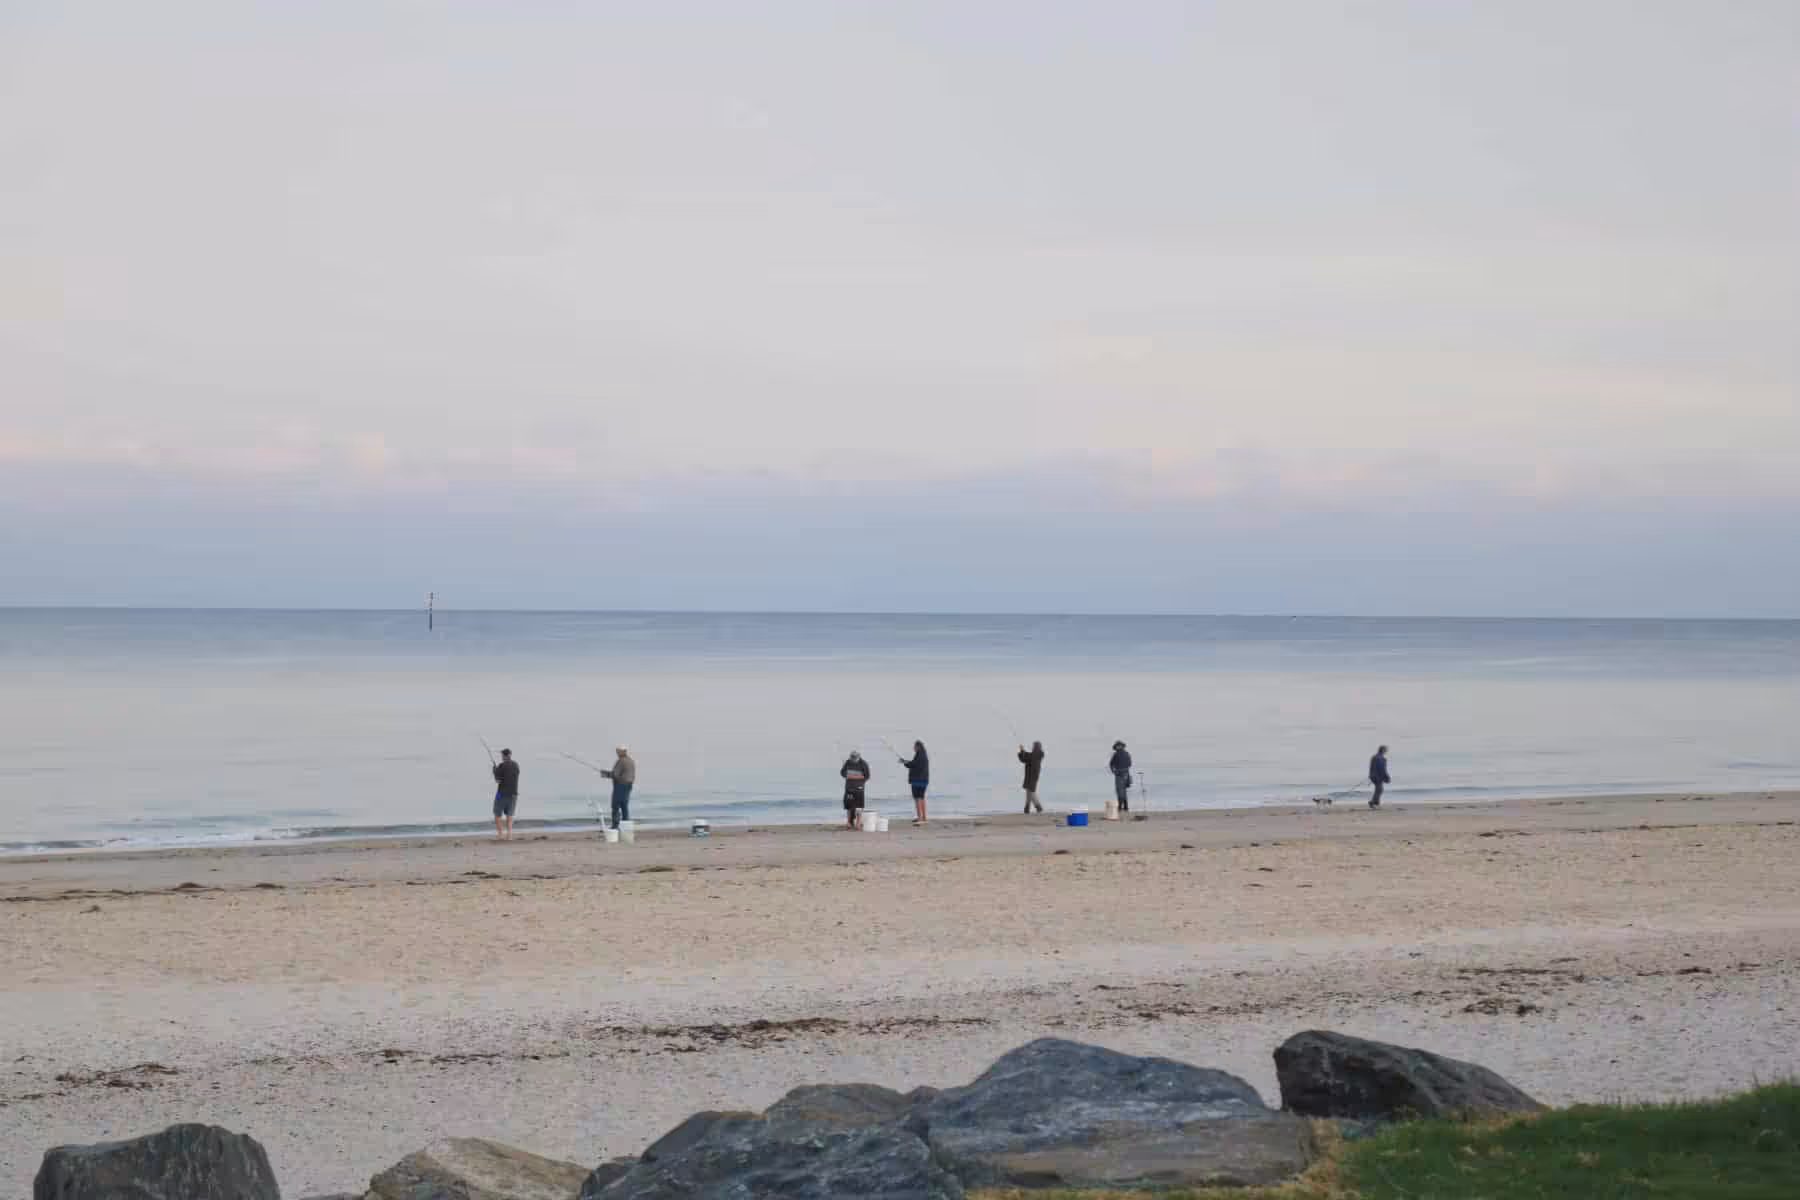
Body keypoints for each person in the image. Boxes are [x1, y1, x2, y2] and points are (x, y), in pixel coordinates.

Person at [600, 745, 636, 829]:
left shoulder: (621, 761)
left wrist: (605, 773)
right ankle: (625, 825)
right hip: (629, 785)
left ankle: (615, 826)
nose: (617, 753)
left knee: (615, 805)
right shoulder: (631, 761)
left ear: (621, 751)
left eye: (617, 751)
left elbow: (615, 774)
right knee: (624, 805)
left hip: (620, 786)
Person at [491, 748, 520, 840]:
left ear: (503, 756)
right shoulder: (516, 765)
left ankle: (500, 835)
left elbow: (497, 780)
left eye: (502, 755)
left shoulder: (502, 766)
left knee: (497, 814)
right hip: (513, 794)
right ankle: (509, 835)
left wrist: (495, 771)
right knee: (509, 815)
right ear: (510, 755)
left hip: (501, 794)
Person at [899, 740, 930, 825]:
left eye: (915, 746)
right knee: (921, 798)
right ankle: (923, 817)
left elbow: (913, 765)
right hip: (923, 780)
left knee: (918, 799)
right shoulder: (922, 755)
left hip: (918, 781)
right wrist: (905, 762)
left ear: (918, 747)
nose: (914, 748)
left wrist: (904, 762)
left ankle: (921, 818)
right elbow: (913, 764)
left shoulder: (920, 755)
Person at [840, 750, 871, 829]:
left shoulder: (863, 764)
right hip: (849, 787)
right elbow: (842, 773)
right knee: (849, 805)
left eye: (855, 758)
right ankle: (849, 822)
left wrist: (856, 777)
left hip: (859, 788)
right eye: (852, 758)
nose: (853, 759)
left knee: (859, 806)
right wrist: (847, 775)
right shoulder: (848, 762)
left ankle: (858, 823)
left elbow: (867, 776)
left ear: (858, 757)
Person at [1017, 740, 1045, 813]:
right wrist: (1022, 751)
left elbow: (1028, 758)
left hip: (1032, 776)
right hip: (1031, 775)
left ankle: (1039, 807)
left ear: (1036, 747)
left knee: (1031, 792)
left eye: (1033, 746)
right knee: (1028, 792)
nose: (1032, 747)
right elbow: (1025, 759)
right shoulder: (1037, 755)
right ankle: (1027, 809)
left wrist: (1022, 750)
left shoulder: (1037, 755)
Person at [1108, 740, 1133, 819]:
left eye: (1120, 745)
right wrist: (1113, 771)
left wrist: (1115, 770)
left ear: (1122, 746)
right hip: (1121, 774)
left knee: (1121, 791)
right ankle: (1124, 807)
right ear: (1116, 747)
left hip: (1123, 774)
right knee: (1121, 791)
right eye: (1117, 746)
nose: (1119, 747)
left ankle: (1122, 807)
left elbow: (1129, 764)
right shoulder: (1116, 754)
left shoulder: (1126, 754)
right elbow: (1111, 764)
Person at [1368, 745, 1391, 809]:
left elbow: (1371, 767)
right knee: (1379, 789)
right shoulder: (1382, 759)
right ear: (1383, 750)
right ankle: (1372, 803)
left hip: (1372, 775)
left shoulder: (1374, 757)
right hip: (1378, 776)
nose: (1386, 751)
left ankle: (1376, 803)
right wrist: (1387, 777)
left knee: (1379, 789)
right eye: (1386, 750)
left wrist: (1370, 775)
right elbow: (1382, 769)